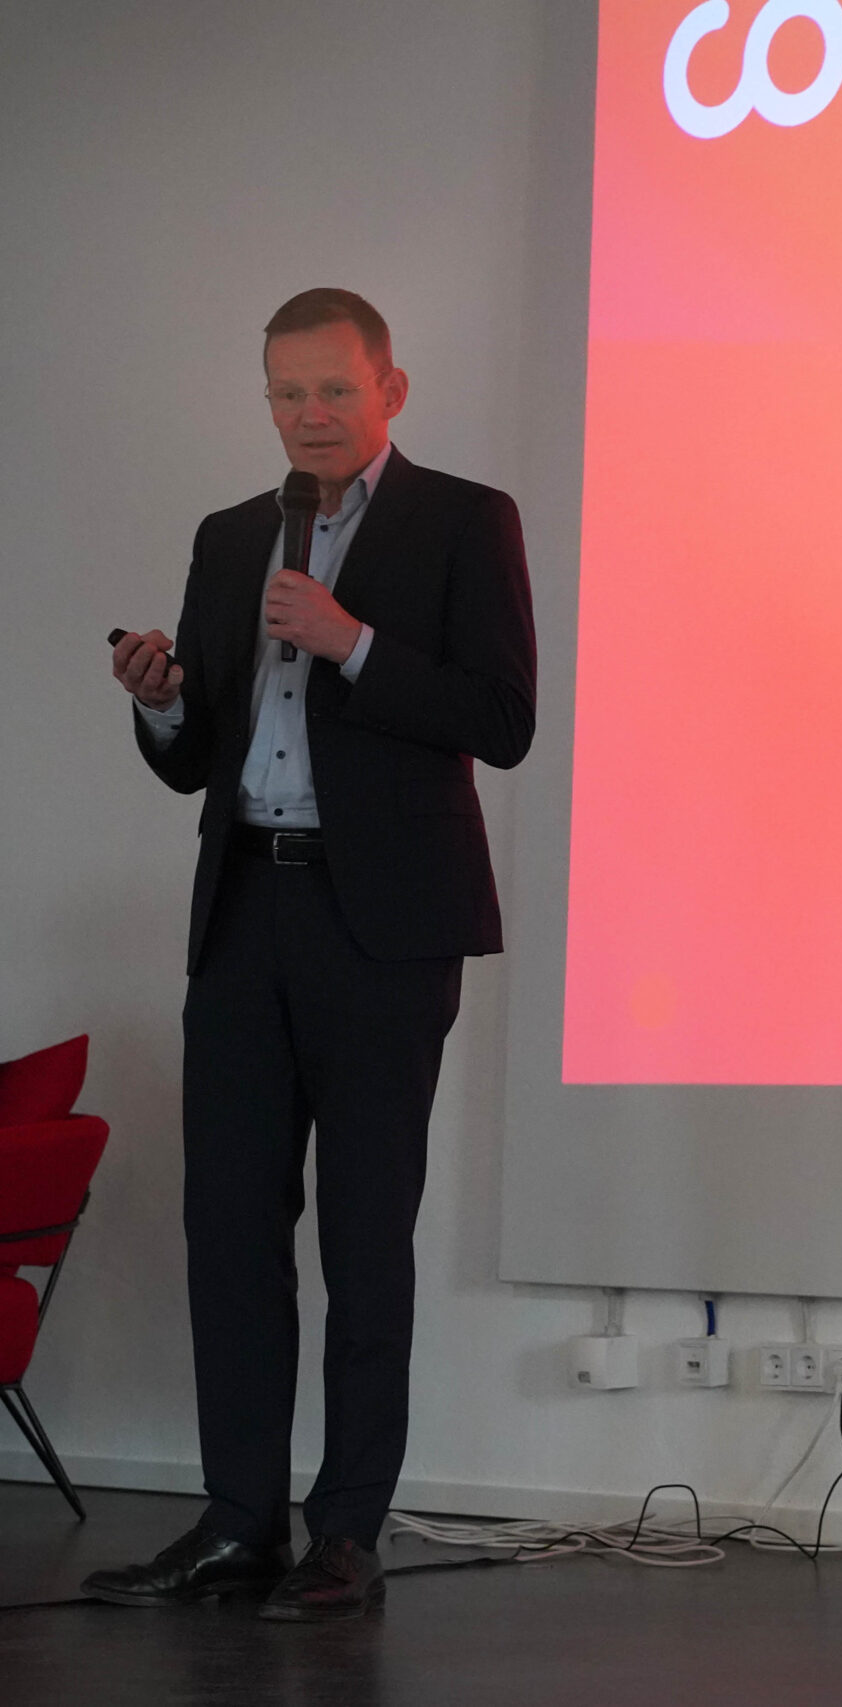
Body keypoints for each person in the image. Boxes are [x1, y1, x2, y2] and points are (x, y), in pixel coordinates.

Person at [84, 288, 535, 1621]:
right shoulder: (233, 536)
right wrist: (165, 709)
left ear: (392, 388)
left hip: (383, 925)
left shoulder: (466, 519)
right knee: (227, 1227)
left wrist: (354, 644)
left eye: (335, 390)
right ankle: (238, 1524)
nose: (311, 416)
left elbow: (503, 719)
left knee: (364, 1231)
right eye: (287, 394)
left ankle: (346, 1533)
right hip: (245, 914)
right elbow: (202, 754)